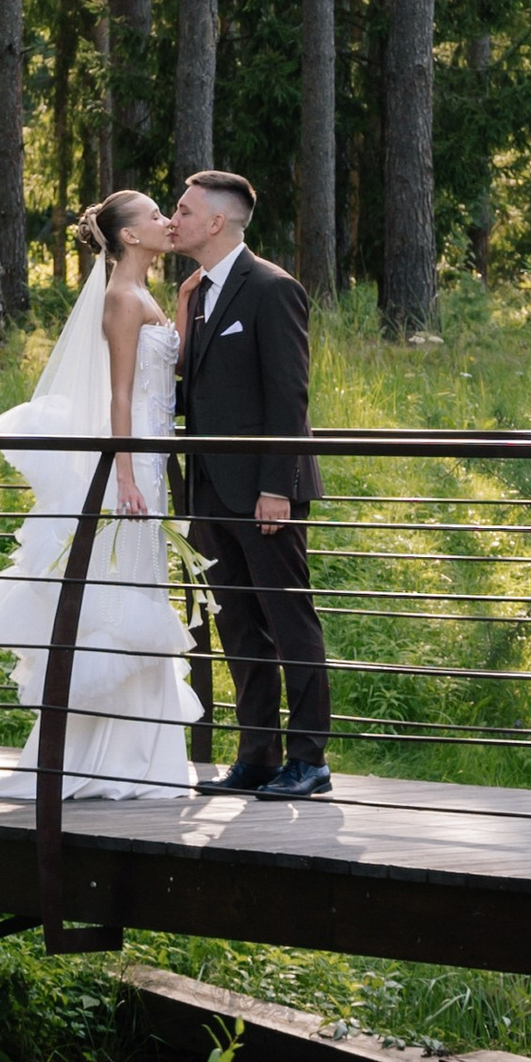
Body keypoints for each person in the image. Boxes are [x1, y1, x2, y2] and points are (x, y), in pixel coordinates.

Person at [0, 189, 200, 798]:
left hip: (150, 458)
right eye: (154, 215)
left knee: (141, 584)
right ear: (128, 236)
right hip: (134, 465)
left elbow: (165, 375)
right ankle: (109, 757)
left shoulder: (145, 292)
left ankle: (141, 756)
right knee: (121, 591)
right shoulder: (121, 298)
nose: (166, 221)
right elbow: (120, 395)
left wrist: (180, 301)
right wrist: (124, 473)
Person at [169, 167, 333, 801]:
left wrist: (276, 488)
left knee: (289, 622)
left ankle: (310, 759)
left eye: (183, 210)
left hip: (267, 491)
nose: (173, 219)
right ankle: (257, 755)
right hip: (210, 490)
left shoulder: (272, 288)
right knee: (238, 624)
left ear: (217, 221)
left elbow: (288, 396)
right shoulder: (199, 292)